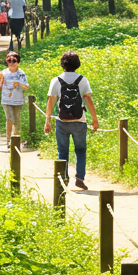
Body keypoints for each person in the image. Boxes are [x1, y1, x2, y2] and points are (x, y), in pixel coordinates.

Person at [44, 50, 98, 190]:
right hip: (80, 121)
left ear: (62, 64)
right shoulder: (82, 79)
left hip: (62, 121)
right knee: (80, 150)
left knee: (63, 152)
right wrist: (94, 119)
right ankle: (80, 178)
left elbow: (51, 101)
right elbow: (88, 99)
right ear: (77, 64)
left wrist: (47, 120)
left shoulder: (56, 80)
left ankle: (64, 179)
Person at [0, 50, 28, 142]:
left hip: (18, 100)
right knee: (9, 118)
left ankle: (16, 140)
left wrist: (19, 84)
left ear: (18, 62)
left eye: (14, 61)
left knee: (17, 120)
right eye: (9, 60)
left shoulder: (21, 73)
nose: (11, 63)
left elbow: (27, 86)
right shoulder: (3, 73)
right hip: (6, 100)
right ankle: (8, 140)